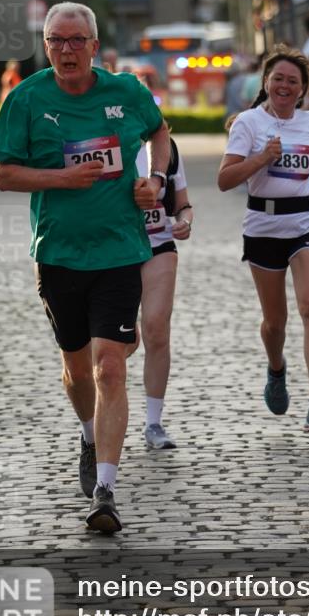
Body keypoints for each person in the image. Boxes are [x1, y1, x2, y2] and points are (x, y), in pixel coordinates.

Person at [0, 1, 170, 534]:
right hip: (59, 253)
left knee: (110, 366)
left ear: (94, 44)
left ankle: (106, 490)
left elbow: (161, 133)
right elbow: (4, 176)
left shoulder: (128, 92)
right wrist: (61, 180)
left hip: (119, 250)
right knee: (75, 369)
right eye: (55, 41)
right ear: (45, 46)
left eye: (76, 40)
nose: (66, 50)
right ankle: (88, 436)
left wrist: (156, 181)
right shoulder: (25, 99)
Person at [218, 47, 309, 436]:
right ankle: (276, 368)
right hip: (263, 225)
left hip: (307, 220)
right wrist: (260, 159)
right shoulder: (248, 123)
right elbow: (225, 180)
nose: (284, 86)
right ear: (266, 83)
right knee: (275, 322)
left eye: (293, 81)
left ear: (303, 89)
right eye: (278, 79)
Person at [135, 136, 193, 450]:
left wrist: (184, 221)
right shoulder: (103, 139)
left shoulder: (166, 147)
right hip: (113, 251)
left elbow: (183, 204)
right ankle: (99, 416)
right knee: (122, 343)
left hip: (159, 246)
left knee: (157, 329)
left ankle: (153, 422)